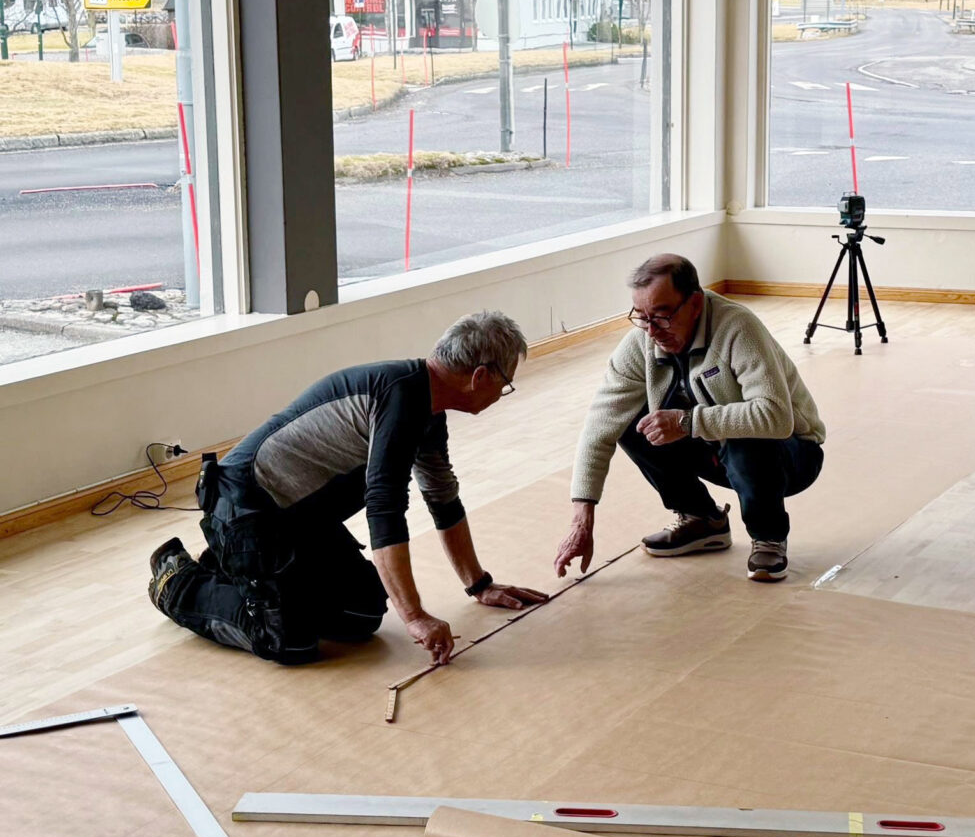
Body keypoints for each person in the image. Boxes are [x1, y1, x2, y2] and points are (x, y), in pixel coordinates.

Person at [148, 311, 547, 665]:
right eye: (506, 383)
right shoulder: (398, 399)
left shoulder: (427, 410)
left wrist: (479, 585)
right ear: (480, 377)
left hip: (299, 522)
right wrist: (415, 617)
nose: (502, 394)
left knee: (362, 614)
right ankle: (179, 580)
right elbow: (385, 512)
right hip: (245, 514)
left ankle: (241, 574)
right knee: (289, 642)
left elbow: (443, 500)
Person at [554, 254, 825, 583]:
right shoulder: (641, 344)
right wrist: (581, 521)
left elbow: (776, 417)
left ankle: (768, 536)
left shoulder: (738, 328)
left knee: (744, 431)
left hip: (791, 454)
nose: (652, 331)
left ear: (695, 304)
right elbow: (599, 427)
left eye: (662, 316)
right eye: (641, 317)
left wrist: (686, 423)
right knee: (631, 422)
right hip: (716, 450)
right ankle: (702, 519)